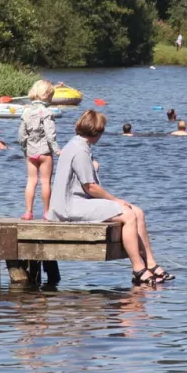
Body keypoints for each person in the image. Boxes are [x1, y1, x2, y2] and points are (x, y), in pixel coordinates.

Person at [49, 110, 167, 283]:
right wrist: (116, 200)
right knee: (127, 214)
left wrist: (93, 168)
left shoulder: (76, 145)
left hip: (77, 201)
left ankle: (151, 263)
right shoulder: (80, 151)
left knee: (138, 212)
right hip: (69, 206)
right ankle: (138, 268)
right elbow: (91, 187)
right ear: (97, 132)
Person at [17, 78, 59, 220]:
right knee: (45, 182)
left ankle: (28, 212)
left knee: (31, 181)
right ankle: (47, 212)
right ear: (47, 95)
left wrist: (25, 150)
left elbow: (21, 135)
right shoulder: (47, 112)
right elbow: (50, 133)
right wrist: (56, 149)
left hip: (31, 152)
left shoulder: (26, 112)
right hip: (45, 152)